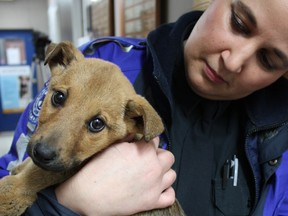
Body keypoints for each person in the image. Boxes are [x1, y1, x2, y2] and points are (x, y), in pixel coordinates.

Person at [1, 0, 288, 215]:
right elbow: (11, 174)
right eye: (238, 23)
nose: (233, 61)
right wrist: (64, 205)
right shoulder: (98, 63)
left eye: (268, 60)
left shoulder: (281, 140)